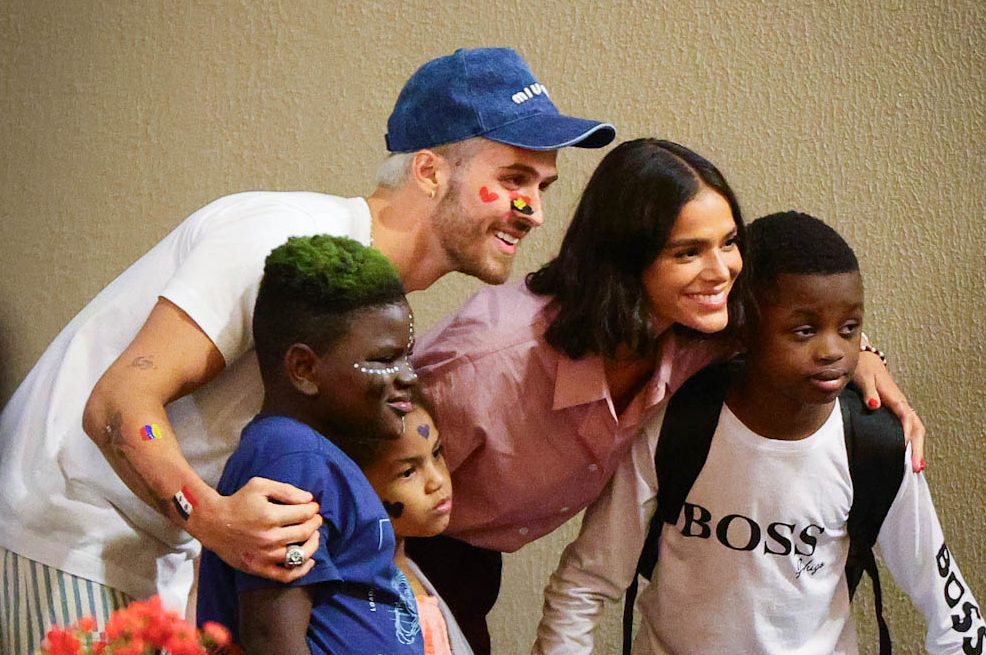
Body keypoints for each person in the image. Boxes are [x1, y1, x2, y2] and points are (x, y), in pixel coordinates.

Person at [0, 46, 615, 653]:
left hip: (151, 554)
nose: (533, 211)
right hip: (62, 536)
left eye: (542, 186)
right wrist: (214, 521)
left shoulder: (365, 298)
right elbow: (118, 402)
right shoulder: (279, 235)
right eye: (512, 180)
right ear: (429, 172)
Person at [408, 139, 925, 654]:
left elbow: (803, 328)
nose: (722, 270)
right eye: (688, 252)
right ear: (625, 260)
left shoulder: (698, 330)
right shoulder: (486, 367)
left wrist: (864, 357)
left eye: (728, 242)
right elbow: (363, 483)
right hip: (395, 545)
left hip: (473, 557)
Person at [532, 211, 986, 654]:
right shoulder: (675, 422)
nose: (832, 350)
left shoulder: (876, 446)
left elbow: (948, 607)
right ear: (744, 326)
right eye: (804, 330)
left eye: (849, 328)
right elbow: (587, 582)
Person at [197, 234, 424, 654]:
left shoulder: (310, 456)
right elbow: (271, 639)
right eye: (383, 360)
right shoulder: (291, 459)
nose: (408, 375)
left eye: (407, 356)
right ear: (303, 369)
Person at [362, 399, 474, 655]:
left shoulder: (407, 568)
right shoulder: (382, 606)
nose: (436, 481)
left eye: (437, 453)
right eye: (408, 472)